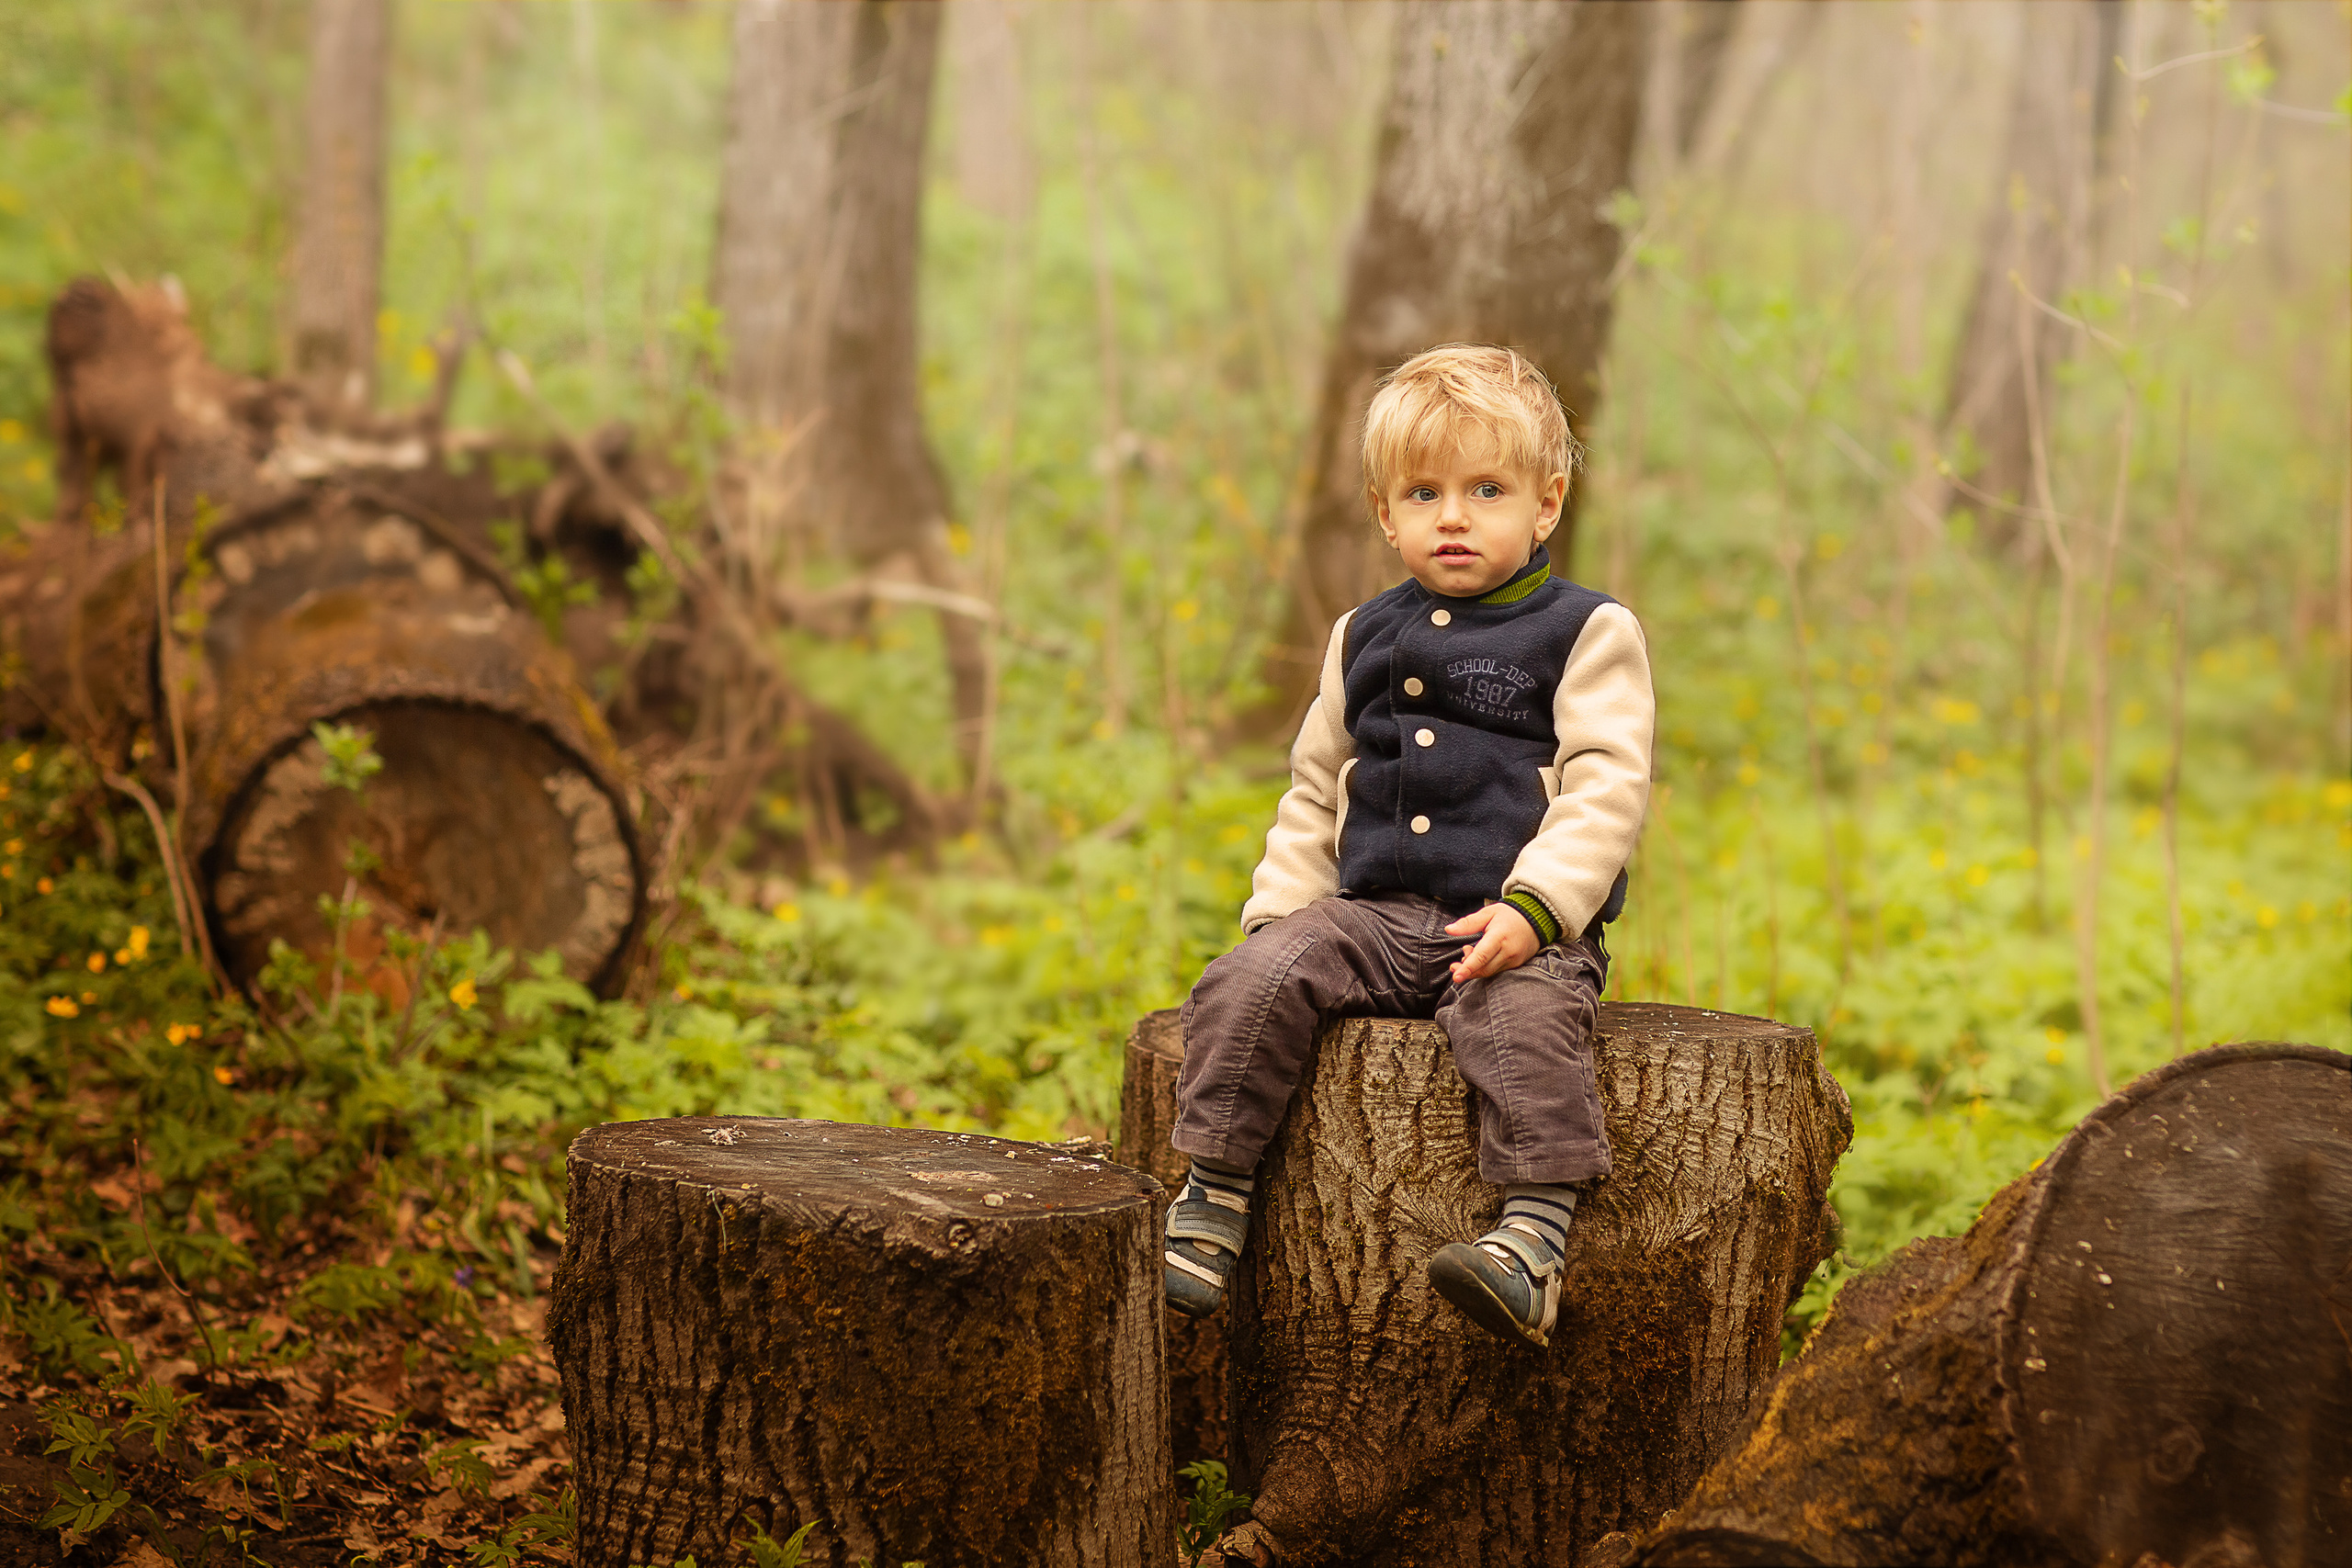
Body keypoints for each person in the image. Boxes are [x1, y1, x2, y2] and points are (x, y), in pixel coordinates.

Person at [1164, 344, 1654, 1349]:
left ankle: (1532, 1240)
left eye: (1487, 489)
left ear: (1546, 504)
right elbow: (1314, 787)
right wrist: (1280, 917)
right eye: (1423, 493)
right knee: (1252, 981)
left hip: (1515, 923)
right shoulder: (1363, 634)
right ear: (1386, 515)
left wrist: (1537, 909)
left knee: (1520, 1027)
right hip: (1375, 916)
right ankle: (1211, 1194)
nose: (1455, 517)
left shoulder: (1586, 630)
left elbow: (1606, 787)